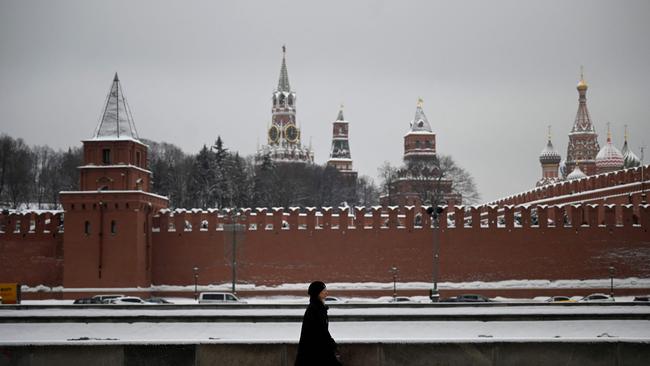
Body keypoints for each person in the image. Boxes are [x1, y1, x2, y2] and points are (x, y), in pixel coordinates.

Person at [295, 281, 342, 366]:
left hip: (315, 350)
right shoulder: (316, 309)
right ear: (318, 293)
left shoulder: (315, 307)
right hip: (317, 351)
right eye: (324, 290)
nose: (327, 292)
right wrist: (331, 343)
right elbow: (321, 330)